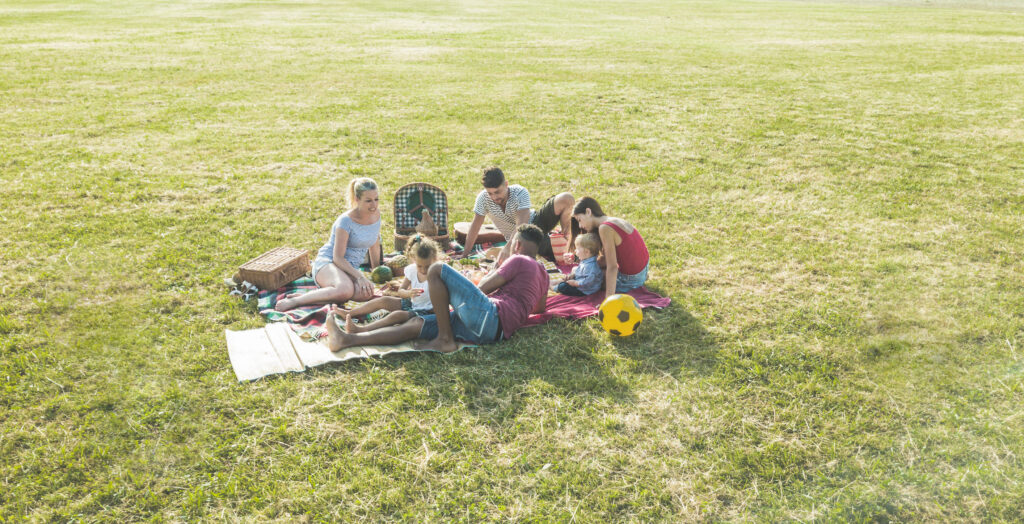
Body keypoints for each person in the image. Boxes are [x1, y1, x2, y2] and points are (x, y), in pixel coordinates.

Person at [326, 224, 550, 353]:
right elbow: (539, 309)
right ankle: (349, 339)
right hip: (493, 332)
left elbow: (482, 288)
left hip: (490, 316)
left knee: (436, 270)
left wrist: (495, 272)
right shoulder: (543, 274)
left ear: (517, 245)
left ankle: (445, 340)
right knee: (417, 324)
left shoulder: (518, 260)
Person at [275, 178, 382, 311]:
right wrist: (360, 276)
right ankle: (297, 300)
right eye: (368, 200)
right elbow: (338, 258)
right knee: (345, 290)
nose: (374, 205)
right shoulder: (345, 221)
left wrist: (377, 271)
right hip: (329, 263)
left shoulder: (376, 215)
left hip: (349, 269)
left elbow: (374, 242)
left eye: (376, 199)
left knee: (364, 294)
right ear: (357, 199)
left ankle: (317, 296)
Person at [459, 167, 574, 265]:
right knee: (562, 252)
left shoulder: (519, 192)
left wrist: (507, 247)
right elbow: (475, 227)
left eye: (497, 192)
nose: (494, 197)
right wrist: (464, 254)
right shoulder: (483, 198)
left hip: (536, 221)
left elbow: (521, 225)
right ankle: (566, 246)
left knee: (566, 198)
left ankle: (567, 238)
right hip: (524, 239)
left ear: (506, 184)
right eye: (490, 193)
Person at [338, 235, 438, 333]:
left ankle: (361, 329)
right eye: (420, 266)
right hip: (412, 304)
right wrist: (408, 293)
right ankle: (350, 313)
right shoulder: (412, 270)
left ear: (435, 260)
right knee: (383, 300)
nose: (424, 270)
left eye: (427, 266)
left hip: (425, 312)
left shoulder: (437, 273)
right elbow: (401, 291)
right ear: (413, 259)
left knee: (397, 315)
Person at [571, 197, 650, 301]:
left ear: (588, 212)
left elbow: (612, 267)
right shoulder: (613, 220)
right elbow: (606, 259)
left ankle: (633, 284)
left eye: (580, 220)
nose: (580, 225)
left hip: (630, 280)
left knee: (590, 278)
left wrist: (608, 300)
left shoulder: (605, 228)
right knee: (590, 268)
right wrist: (578, 259)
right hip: (643, 271)